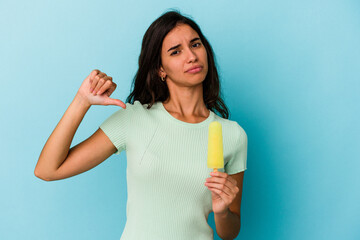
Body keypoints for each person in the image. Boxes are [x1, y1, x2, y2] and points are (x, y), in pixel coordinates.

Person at [34, 10, 247, 240]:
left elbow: (230, 232)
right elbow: (47, 170)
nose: (192, 56)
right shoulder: (134, 119)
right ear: (160, 69)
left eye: (195, 45)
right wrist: (82, 101)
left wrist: (222, 211)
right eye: (176, 51)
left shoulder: (232, 134)